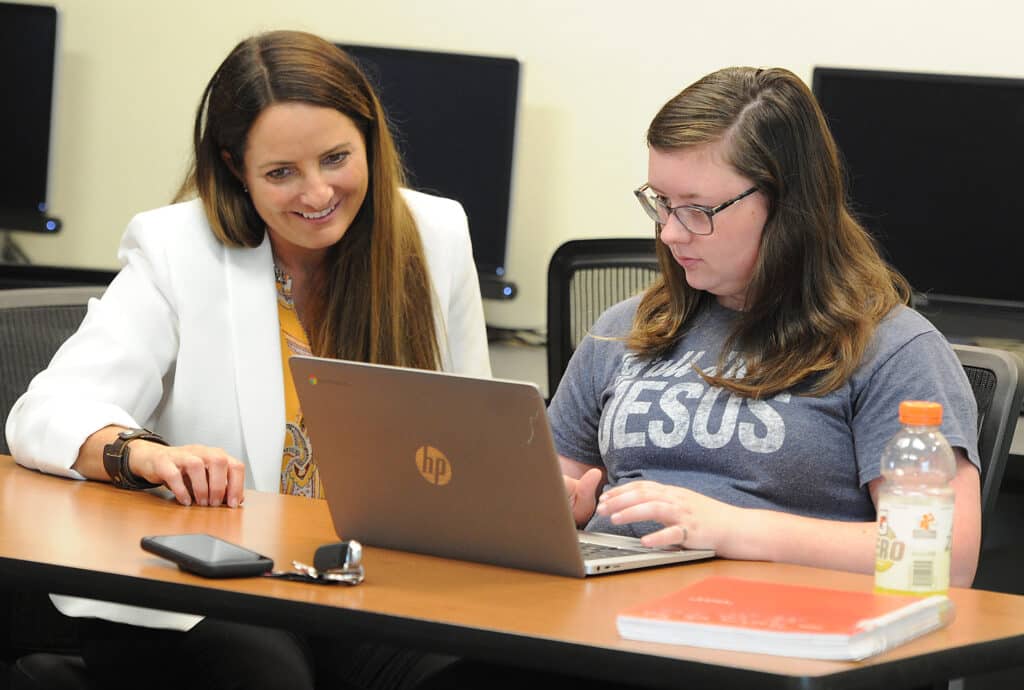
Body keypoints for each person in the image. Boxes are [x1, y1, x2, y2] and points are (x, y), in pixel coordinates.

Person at [5, 30, 489, 690]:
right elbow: (48, 411)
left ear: (371, 141)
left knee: (465, 673)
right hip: (202, 589)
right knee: (267, 675)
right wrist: (143, 453)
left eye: (336, 158)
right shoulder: (177, 245)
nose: (316, 193)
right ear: (236, 168)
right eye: (281, 173)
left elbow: (474, 433)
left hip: (363, 584)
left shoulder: (435, 234)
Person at [551, 66, 982, 586]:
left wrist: (732, 529)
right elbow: (561, 482)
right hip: (603, 617)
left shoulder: (890, 348)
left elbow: (944, 556)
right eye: (661, 203)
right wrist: (556, 504)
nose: (668, 233)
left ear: (785, 206)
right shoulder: (626, 327)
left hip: (767, 631)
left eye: (697, 210)